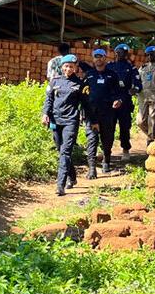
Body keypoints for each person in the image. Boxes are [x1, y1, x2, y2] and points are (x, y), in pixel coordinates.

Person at [41, 54, 92, 195]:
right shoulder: (55, 81)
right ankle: (72, 177)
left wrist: (92, 121)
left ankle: (60, 185)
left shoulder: (81, 84)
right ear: (62, 67)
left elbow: (86, 104)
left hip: (71, 121)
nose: (68, 69)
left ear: (75, 68)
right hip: (55, 120)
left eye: (71, 66)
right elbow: (49, 100)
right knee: (60, 149)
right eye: (66, 66)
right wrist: (45, 114)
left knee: (65, 151)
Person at [83, 48, 122, 178]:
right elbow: (83, 94)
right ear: (93, 59)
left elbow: (118, 92)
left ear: (105, 58)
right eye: (96, 57)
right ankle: (92, 168)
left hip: (108, 112)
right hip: (92, 113)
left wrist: (118, 100)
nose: (98, 59)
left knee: (107, 138)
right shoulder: (89, 75)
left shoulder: (112, 75)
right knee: (92, 140)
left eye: (100, 56)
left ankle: (106, 161)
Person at [106, 43, 142, 162]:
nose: (123, 55)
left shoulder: (131, 68)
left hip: (124, 102)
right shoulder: (109, 66)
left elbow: (138, 84)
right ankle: (107, 151)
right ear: (116, 53)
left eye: (125, 53)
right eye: (120, 52)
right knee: (108, 127)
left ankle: (125, 150)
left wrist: (134, 90)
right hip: (110, 101)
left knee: (124, 127)